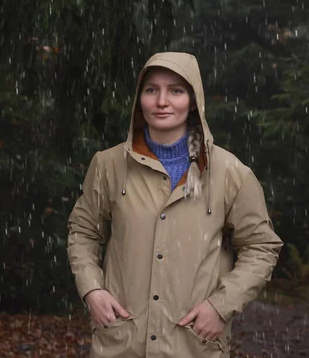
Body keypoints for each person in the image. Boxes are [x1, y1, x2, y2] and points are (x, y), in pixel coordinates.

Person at [66, 52, 283, 358]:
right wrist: (92, 290)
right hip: (122, 342)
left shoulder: (230, 173)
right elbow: (83, 232)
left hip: (193, 345)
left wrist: (220, 306)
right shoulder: (109, 165)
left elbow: (261, 247)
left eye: (176, 91)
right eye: (151, 89)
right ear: (140, 99)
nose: (162, 101)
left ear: (194, 101)